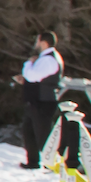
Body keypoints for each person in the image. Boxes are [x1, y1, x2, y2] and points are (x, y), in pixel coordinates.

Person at [19, 31, 65, 169]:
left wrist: (28, 64)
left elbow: (32, 76)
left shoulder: (48, 60)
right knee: (29, 130)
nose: (36, 44)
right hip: (37, 100)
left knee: (43, 133)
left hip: (43, 101)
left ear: (44, 43)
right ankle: (33, 161)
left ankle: (51, 163)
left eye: (37, 41)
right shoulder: (45, 58)